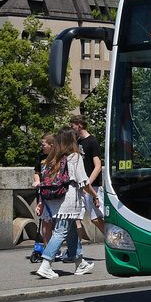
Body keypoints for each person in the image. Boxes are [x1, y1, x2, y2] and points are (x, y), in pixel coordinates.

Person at [35, 128, 95, 279]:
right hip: (68, 201)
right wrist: (95, 196)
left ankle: (79, 263)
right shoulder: (74, 157)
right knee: (61, 231)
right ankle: (46, 264)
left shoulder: (53, 157)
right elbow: (84, 181)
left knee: (72, 230)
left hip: (54, 199)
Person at [70, 115, 105, 235]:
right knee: (76, 218)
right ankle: (76, 250)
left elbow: (98, 166)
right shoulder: (78, 142)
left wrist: (87, 183)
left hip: (92, 186)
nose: (72, 128)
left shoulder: (92, 141)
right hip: (80, 187)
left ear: (79, 126)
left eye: (73, 126)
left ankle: (113, 239)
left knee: (96, 218)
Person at [31, 134, 56, 248]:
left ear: (51, 145)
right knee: (45, 220)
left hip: (56, 192)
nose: (42, 146)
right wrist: (37, 182)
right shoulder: (41, 158)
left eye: (43, 144)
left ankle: (57, 247)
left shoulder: (59, 158)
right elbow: (37, 173)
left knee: (59, 222)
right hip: (44, 192)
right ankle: (47, 247)